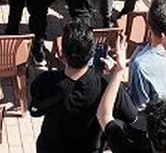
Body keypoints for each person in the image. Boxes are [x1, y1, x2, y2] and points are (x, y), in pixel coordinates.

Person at [31, 19, 130, 153]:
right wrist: (117, 74)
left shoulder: (45, 81)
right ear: (92, 54)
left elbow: (35, 111)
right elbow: (130, 116)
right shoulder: (107, 85)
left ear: (62, 53)